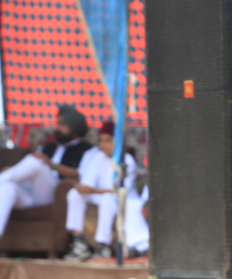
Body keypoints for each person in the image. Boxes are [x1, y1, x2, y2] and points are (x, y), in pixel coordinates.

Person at [0, 104, 97, 239]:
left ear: (74, 128)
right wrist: (12, 170)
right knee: (6, 187)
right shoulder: (49, 146)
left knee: (38, 162)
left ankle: (3, 177)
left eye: (63, 125)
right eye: (58, 124)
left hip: (53, 193)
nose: (57, 128)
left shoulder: (88, 150)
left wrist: (52, 165)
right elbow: (28, 168)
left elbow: (81, 174)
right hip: (29, 193)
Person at [63, 120, 138, 260]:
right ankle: (79, 243)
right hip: (101, 194)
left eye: (108, 140)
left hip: (122, 200)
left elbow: (118, 191)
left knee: (107, 199)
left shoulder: (126, 161)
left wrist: (92, 190)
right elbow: (87, 182)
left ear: (118, 141)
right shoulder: (98, 157)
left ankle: (104, 245)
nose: (103, 144)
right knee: (74, 194)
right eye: (101, 140)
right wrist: (83, 188)